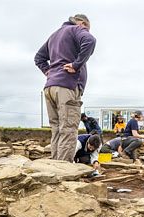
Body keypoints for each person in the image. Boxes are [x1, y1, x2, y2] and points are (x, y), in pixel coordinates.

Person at [35, 14, 98, 162]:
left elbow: (39, 57)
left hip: (50, 87)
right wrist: (77, 65)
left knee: (57, 129)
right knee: (68, 129)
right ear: (82, 23)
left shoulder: (54, 35)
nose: (86, 32)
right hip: (67, 86)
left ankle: (54, 166)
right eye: (86, 28)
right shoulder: (77, 29)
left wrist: (48, 71)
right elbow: (90, 40)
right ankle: (63, 169)